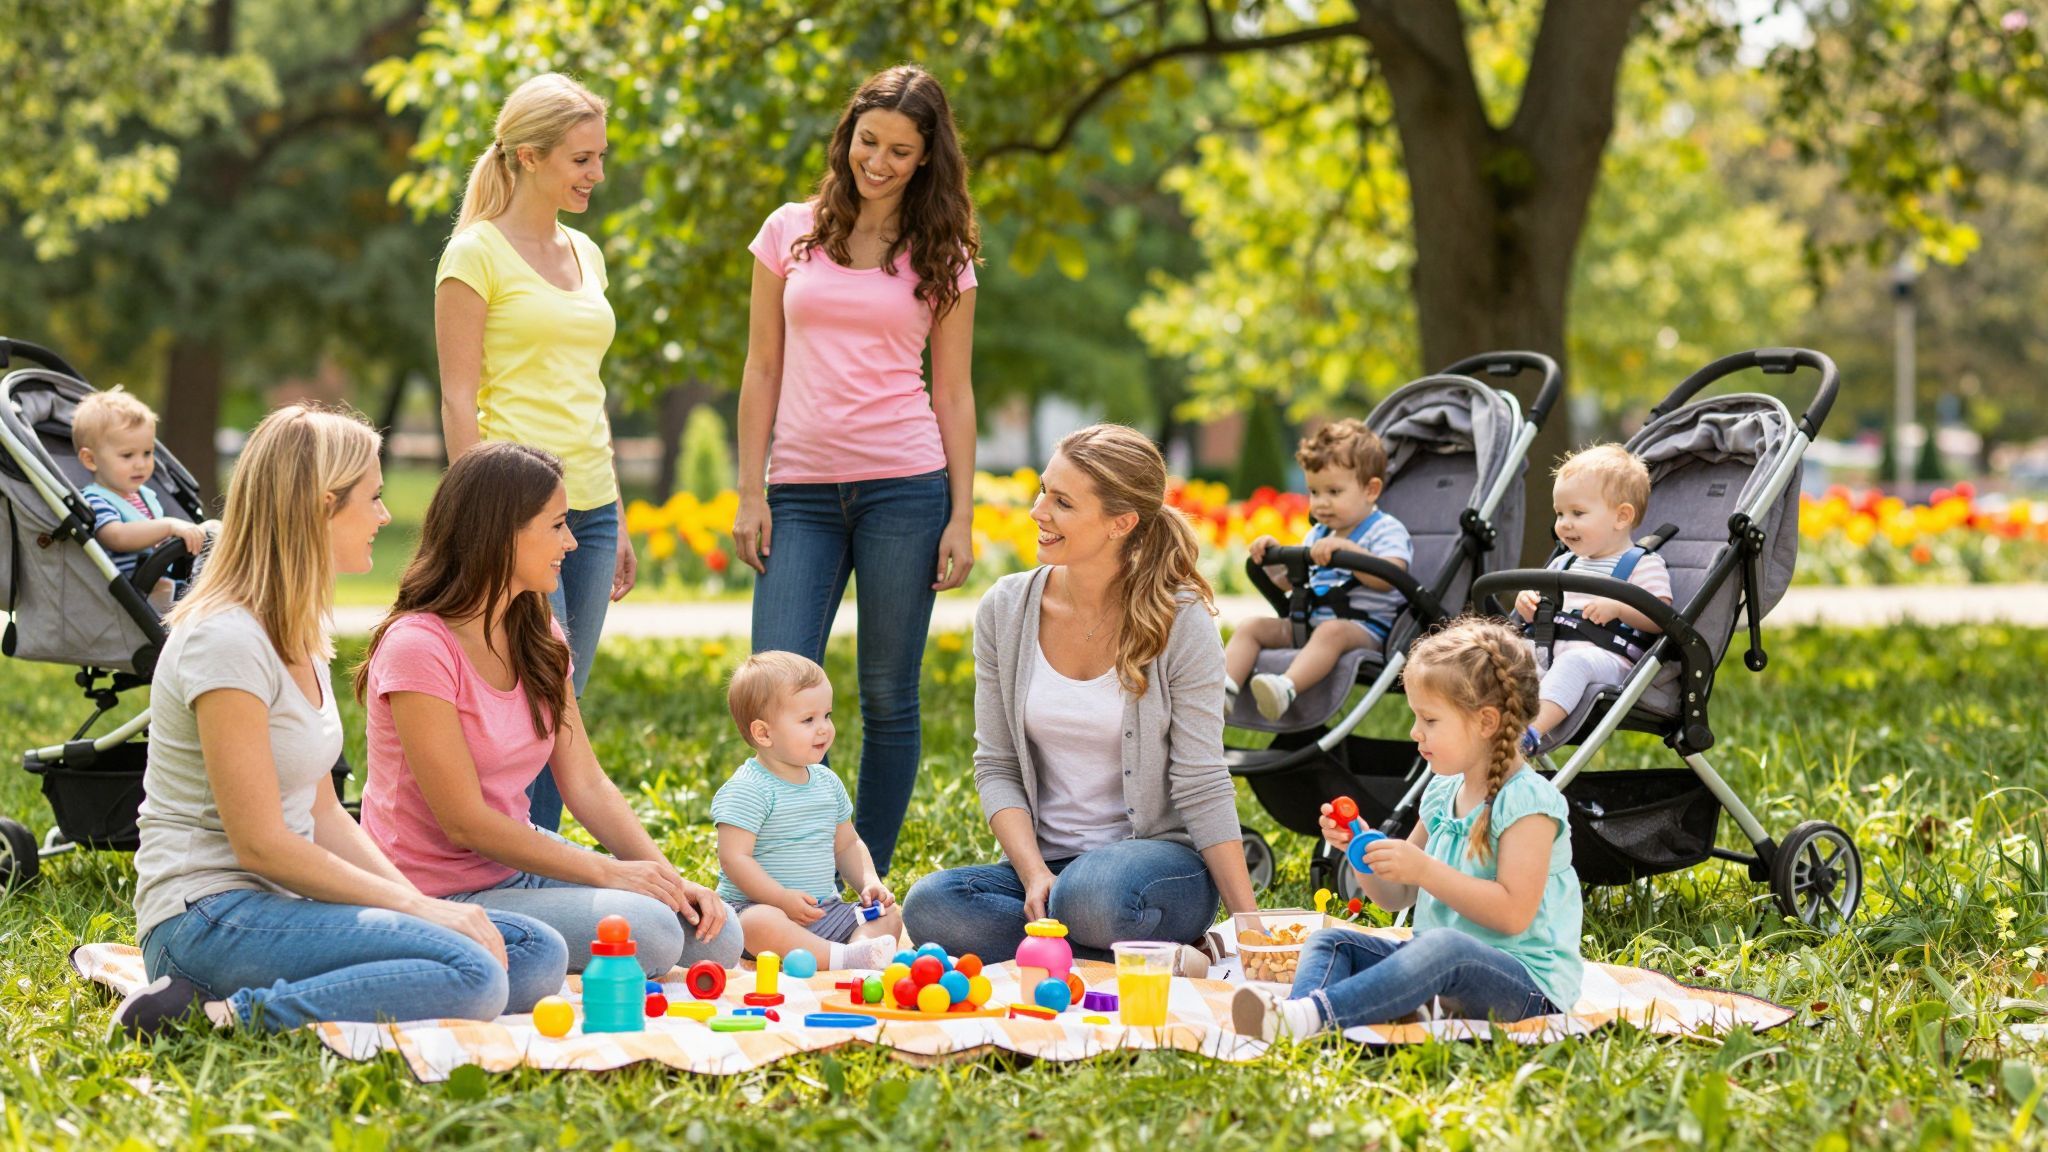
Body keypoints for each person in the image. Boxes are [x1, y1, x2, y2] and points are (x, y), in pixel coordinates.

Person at [113, 406, 567, 1038]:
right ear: (324, 507)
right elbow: (261, 844)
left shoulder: (300, 627)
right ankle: (209, 1016)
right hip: (206, 917)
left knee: (534, 951)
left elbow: (325, 814)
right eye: (374, 498)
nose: (386, 515)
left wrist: (428, 909)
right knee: (476, 974)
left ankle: (340, 984)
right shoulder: (225, 641)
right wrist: (415, 909)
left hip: (281, 905)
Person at [356, 442, 739, 977]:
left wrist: (663, 876)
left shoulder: (537, 634)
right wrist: (608, 873)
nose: (573, 541)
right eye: (557, 525)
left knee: (713, 935)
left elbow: (586, 784)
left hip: (516, 864)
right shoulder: (419, 647)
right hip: (438, 891)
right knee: (649, 934)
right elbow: (465, 822)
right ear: (501, 532)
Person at [732, 64, 980, 875]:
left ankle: (863, 878)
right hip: (798, 493)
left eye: (899, 150)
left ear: (925, 159)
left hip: (906, 488)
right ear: (848, 136)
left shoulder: (944, 255)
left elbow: (953, 390)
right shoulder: (788, 231)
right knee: (775, 689)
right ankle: (791, 864)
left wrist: (962, 514)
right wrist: (749, 491)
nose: (878, 160)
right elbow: (761, 368)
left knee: (886, 695)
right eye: (868, 140)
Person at [901, 425, 1259, 962]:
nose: (1038, 511)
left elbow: (1201, 780)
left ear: (1122, 523)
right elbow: (996, 765)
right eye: (1044, 490)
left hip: (1154, 870)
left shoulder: (1180, 620)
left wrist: (1251, 931)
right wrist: (1033, 873)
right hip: (1051, 870)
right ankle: (1131, 956)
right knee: (932, 905)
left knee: (1094, 895)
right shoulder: (1007, 609)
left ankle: (1079, 944)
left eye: (1063, 501)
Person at [435, 72, 634, 833]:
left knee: (562, 703)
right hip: (515, 508)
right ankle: (510, 860)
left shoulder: (587, 252)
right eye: (581, 159)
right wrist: (475, 519)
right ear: (527, 155)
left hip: (592, 501)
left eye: (599, 157)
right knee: (528, 694)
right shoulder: (474, 254)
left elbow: (588, 387)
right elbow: (458, 397)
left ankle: (541, 860)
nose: (596, 175)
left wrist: (617, 514)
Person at [1230, 617, 1584, 1040]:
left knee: (1443, 947)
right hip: (1441, 967)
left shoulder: (1527, 803)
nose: (1415, 733)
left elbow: (1512, 915)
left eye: (1430, 720)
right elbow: (1395, 894)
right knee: (1331, 942)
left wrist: (1425, 870)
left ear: (1487, 722)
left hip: (1527, 989)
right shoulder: (1443, 790)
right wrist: (1361, 848)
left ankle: (1314, 1016)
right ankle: (1301, 1020)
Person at [711, 652, 904, 971]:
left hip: (823, 912)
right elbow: (734, 859)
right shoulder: (749, 788)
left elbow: (847, 844)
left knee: (889, 915)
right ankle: (840, 958)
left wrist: (868, 881)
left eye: (827, 715)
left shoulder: (826, 782)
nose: (824, 729)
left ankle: (856, 952)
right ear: (764, 733)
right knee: (759, 923)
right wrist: (780, 897)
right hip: (759, 908)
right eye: (808, 720)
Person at [1224, 419, 1412, 721]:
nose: (1321, 503)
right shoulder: (1319, 534)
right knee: (1251, 626)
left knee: (1332, 631)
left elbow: (1392, 577)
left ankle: (1285, 688)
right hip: (1310, 624)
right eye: (1314, 491)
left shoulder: (1386, 530)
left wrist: (1349, 553)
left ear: (1371, 489)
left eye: (1334, 492)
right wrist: (1270, 559)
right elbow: (1289, 582)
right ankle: (1223, 690)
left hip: (1364, 629)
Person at [1514, 444, 1672, 750]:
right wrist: (1529, 603)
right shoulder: (1564, 562)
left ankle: (1530, 734)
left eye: (1578, 513)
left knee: (1575, 662)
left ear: (1621, 517)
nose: (1564, 523)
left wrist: (1621, 608)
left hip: (1609, 659)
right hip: (1552, 649)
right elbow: (1547, 604)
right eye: (1560, 513)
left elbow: (1661, 617)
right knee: (1504, 649)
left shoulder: (1642, 564)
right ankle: (1482, 723)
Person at [72, 386, 218, 611]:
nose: (140, 463)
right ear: (91, 460)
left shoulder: (145, 496)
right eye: (127, 455)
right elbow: (116, 536)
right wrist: (168, 526)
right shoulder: (95, 500)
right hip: (132, 597)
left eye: (147, 453)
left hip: (162, 585)